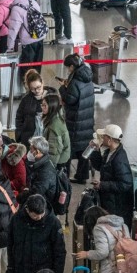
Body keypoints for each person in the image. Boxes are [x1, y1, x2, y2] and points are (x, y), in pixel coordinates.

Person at [7, 194, 67, 273]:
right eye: (35, 215)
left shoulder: (53, 222)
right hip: (24, 272)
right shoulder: (17, 220)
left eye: (41, 214)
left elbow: (60, 251)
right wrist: (11, 267)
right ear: (27, 210)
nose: (39, 217)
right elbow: (11, 245)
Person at [57, 54, 96, 183]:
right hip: (87, 118)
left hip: (75, 121)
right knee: (84, 150)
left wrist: (63, 88)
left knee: (68, 148)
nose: (68, 70)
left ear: (72, 66)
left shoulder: (75, 81)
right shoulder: (87, 76)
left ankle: (65, 175)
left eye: (68, 67)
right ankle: (82, 176)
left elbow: (69, 99)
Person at [87, 124, 134, 228]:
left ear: (110, 140)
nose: (102, 138)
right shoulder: (110, 152)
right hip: (111, 201)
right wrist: (95, 150)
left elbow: (125, 184)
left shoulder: (119, 160)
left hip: (118, 206)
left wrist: (102, 185)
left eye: (104, 136)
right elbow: (100, 166)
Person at [5, 0, 45, 73]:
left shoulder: (16, 8)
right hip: (40, 37)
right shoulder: (33, 1)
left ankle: (27, 82)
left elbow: (13, 30)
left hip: (28, 42)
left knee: (27, 71)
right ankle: (37, 81)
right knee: (37, 68)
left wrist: (10, 47)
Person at [15, 70, 52, 147]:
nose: (36, 91)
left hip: (48, 138)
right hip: (28, 139)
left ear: (42, 83)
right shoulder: (26, 100)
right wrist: (20, 135)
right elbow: (19, 118)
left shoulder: (52, 97)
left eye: (38, 87)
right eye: (33, 89)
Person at [41, 93, 72, 170]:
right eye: (42, 105)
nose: (42, 107)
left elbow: (54, 151)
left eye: (45, 105)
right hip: (62, 158)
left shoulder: (54, 126)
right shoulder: (56, 116)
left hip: (58, 161)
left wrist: (50, 167)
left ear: (52, 106)